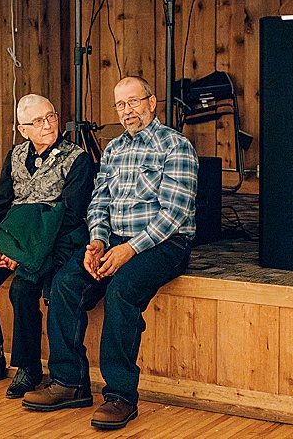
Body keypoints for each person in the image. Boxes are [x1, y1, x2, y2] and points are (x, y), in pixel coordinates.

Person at [22, 77, 197, 430]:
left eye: (133, 102)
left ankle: (120, 396)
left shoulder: (176, 146)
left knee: (121, 292)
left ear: (152, 102)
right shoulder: (114, 149)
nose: (127, 111)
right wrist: (98, 242)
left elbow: (174, 214)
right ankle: (70, 383)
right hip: (115, 239)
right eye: (120, 105)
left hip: (164, 242)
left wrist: (128, 251)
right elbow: (99, 200)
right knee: (64, 284)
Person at [0, 94, 94, 400]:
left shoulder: (78, 159)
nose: (48, 125)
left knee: (22, 290)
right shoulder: (15, 155)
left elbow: (70, 216)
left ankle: (29, 368)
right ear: (23, 129)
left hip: (55, 243)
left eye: (52, 117)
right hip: (12, 241)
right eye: (39, 121)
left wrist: (22, 254)